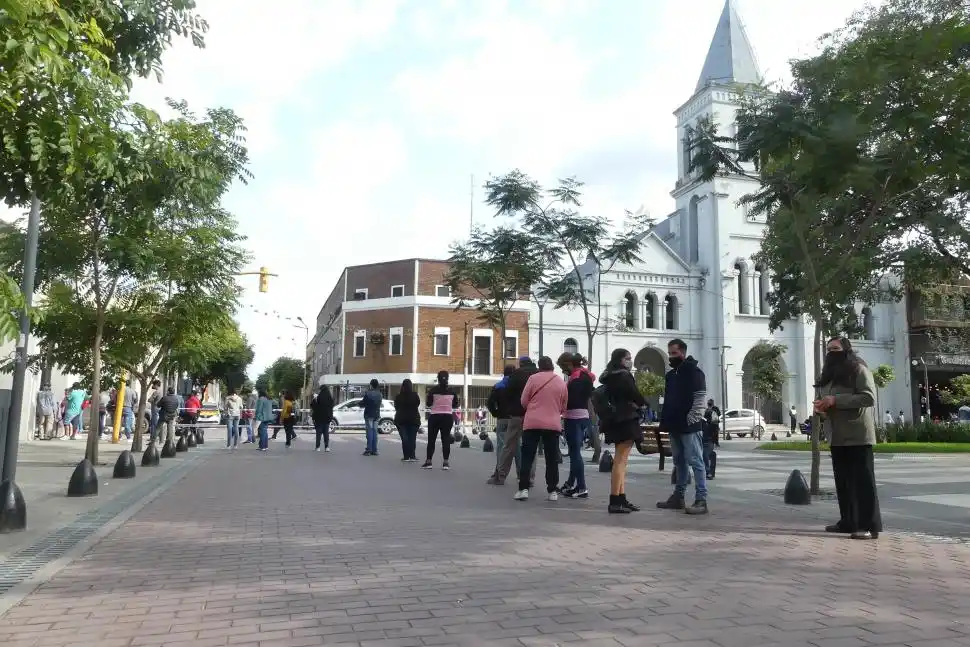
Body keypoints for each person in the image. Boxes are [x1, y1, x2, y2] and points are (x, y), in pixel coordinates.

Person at [815, 336, 882, 541]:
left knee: (863, 482)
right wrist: (821, 408)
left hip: (858, 435)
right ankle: (848, 521)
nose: (831, 352)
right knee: (843, 482)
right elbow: (826, 402)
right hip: (836, 436)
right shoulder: (827, 376)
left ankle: (869, 526)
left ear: (846, 350)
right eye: (828, 349)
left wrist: (836, 400)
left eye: (835, 348)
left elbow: (869, 397)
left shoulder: (858, 369)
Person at [657, 339, 709, 515]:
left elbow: (700, 398)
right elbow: (669, 399)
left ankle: (701, 499)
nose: (671, 356)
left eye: (674, 353)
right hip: (674, 425)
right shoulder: (671, 376)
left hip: (690, 427)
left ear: (683, 352)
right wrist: (665, 421)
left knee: (696, 461)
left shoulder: (695, 373)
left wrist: (692, 419)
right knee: (679, 462)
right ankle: (678, 497)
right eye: (670, 353)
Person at [597, 348, 647, 513]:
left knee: (621, 461)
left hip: (614, 420)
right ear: (620, 360)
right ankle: (615, 501)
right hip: (626, 419)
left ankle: (621, 497)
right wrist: (644, 403)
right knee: (620, 461)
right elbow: (635, 395)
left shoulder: (609, 376)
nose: (630, 361)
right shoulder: (624, 376)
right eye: (628, 358)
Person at [514, 356, 567, 502]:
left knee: (527, 457)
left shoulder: (533, 379)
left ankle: (523, 489)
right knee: (551, 458)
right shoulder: (561, 382)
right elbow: (564, 406)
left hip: (532, 423)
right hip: (552, 424)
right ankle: (552, 491)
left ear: (539, 366)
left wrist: (533, 408)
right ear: (552, 366)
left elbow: (523, 401)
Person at [492, 357, 538, 486]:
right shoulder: (538, 374)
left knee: (508, 446)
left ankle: (501, 476)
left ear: (521, 364)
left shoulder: (516, 375)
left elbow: (508, 393)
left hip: (517, 414)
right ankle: (530, 478)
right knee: (530, 447)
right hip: (533, 415)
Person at [558, 353, 594, 499]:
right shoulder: (586, 376)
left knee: (575, 453)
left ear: (569, 364)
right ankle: (571, 484)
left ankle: (582, 487)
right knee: (575, 453)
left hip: (573, 417)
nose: (562, 371)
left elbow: (571, 399)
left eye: (562, 367)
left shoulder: (576, 379)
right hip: (583, 415)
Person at [486, 366, 516, 483]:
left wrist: (495, 413)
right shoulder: (517, 387)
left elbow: (490, 402)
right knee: (517, 448)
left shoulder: (498, 386)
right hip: (515, 419)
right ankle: (522, 475)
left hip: (502, 418)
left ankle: (499, 473)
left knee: (502, 447)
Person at [424, 371, 458, 470]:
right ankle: (446, 463)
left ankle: (429, 462)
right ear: (447, 378)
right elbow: (455, 404)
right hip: (447, 417)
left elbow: (429, 404)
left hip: (434, 417)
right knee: (446, 440)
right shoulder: (452, 391)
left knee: (431, 440)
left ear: (438, 378)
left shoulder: (433, 390)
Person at [394, 379, 421, 461]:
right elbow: (417, 404)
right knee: (412, 438)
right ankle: (412, 456)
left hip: (401, 420)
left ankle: (406, 456)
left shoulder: (398, 396)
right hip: (413, 419)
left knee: (404, 438)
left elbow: (396, 407)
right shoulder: (415, 395)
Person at [361, 379, 383, 456]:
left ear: (371, 385)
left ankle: (369, 450)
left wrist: (359, 404)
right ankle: (375, 450)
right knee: (375, 432)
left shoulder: (368, 393)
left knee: (369, 432)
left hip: (369, 415)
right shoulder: (380, 394)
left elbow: (363, 403)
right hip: (376, 415)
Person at [311, 385, 334, 452]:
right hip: (327, 418)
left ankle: (317, 447)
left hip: (319, 418)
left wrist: (314, 399)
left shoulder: (319, 397)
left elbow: (313, 406)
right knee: (326, 433)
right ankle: (327, 447)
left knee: (318, 433)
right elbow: (331, 406)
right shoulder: (330, 398)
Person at [703, 398, 721, 479]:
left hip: (704, 440)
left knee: (709, 453)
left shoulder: (708, 411)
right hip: (708, 440)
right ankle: (708, 472)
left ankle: (708, 472)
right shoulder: (713, 411)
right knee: (709, 453)